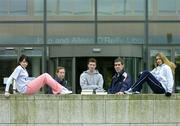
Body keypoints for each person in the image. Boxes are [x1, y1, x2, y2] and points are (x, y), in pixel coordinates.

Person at [4, 54, 72, 97]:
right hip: (26, 89)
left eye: (26, 62)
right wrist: (6, 91)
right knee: (45, 75)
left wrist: (14, 90)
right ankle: (61, 90)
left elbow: (17, 79)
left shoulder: (23, 69)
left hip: (26, 88)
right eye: (23, 62)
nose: (25, 63)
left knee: (46, 79)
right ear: (20, 62)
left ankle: (59, 91)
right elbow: (11, 78)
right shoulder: (19, 68)